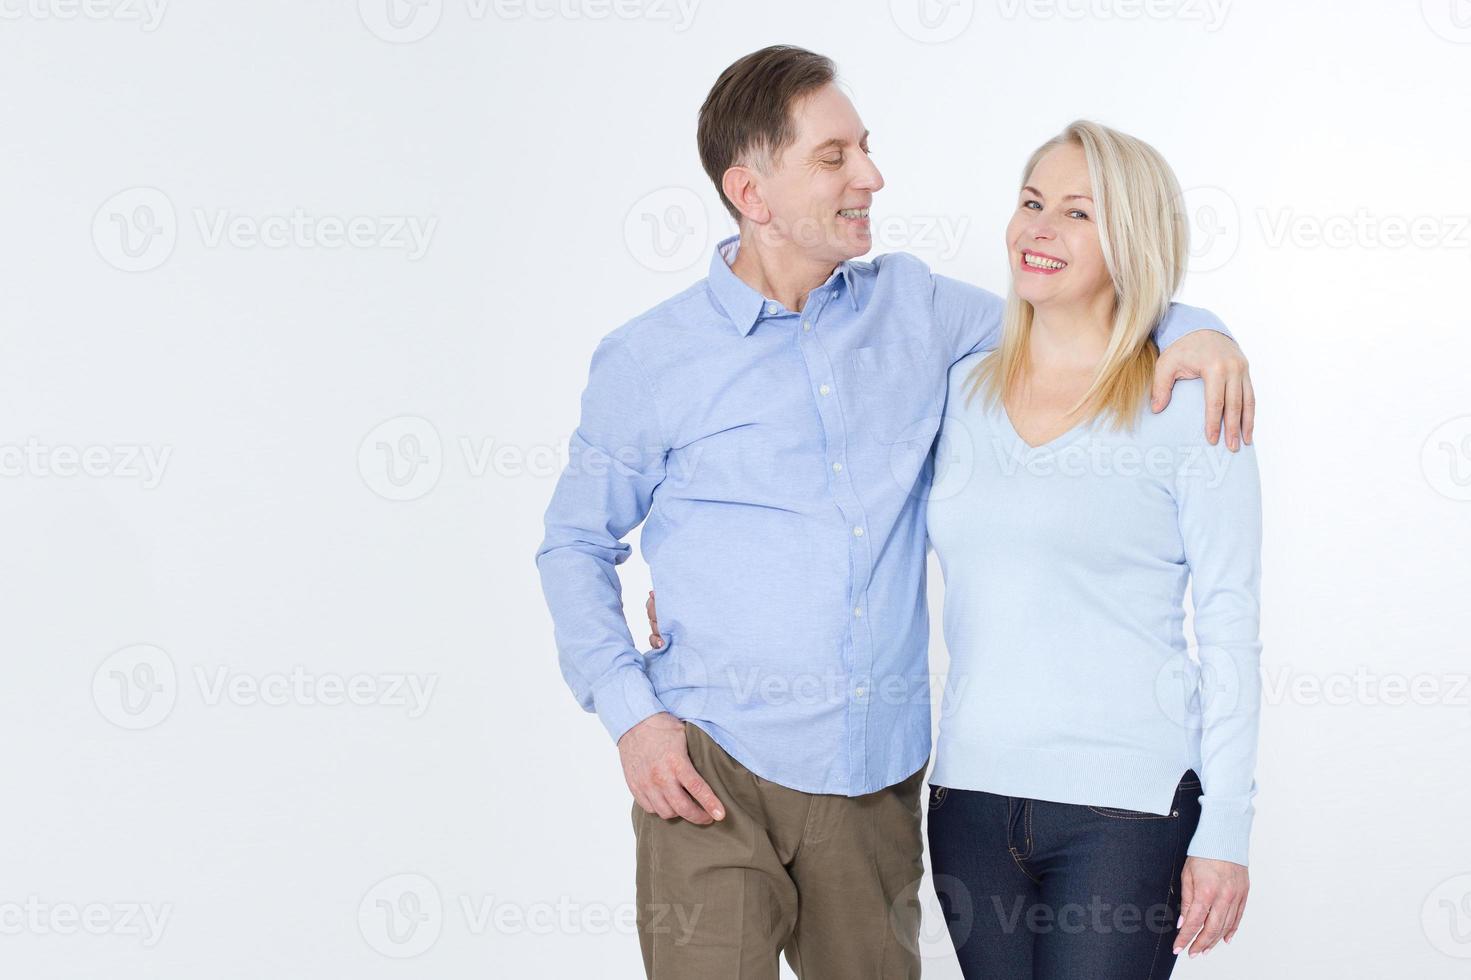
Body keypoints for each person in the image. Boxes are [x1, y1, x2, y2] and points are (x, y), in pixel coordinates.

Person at [537, 45, 1252, 979]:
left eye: (864, 148)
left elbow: (1080, 305)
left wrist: (1201, 330)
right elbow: (572, 543)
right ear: (751, 193)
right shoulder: (649, 359)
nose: (870, 175)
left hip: (875, 783)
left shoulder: (918, 311)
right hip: (707, 764)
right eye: (834, 158)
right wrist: (633, 716)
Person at [923, 120, 1261, 977]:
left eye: (1077, 213)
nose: (1038, 230)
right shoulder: (958, 391)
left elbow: (1229, 622)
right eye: (1031, 203)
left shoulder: (1188, 399)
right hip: (968, 800)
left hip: (1124, 809)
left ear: (1132, 238)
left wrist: (1225, 826)